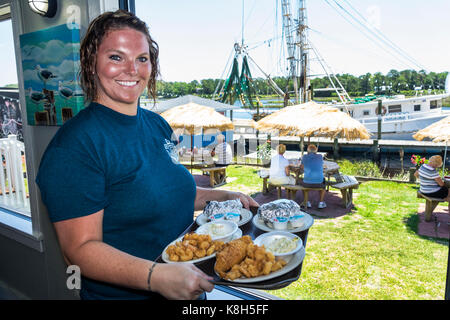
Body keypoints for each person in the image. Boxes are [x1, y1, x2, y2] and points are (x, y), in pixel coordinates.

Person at [35, 10, 259, 300]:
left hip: (189, 288)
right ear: (91, 64)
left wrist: (223, 196)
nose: (132, 69)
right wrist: (156, 277)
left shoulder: (157, 124)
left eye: (142, 58)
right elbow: (78, 251)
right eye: (116, 57)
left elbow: (168, 193)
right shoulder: (75, 146)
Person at [299, 144, 327, 209]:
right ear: (316, 150)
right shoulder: (320, 156)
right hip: (319, 183)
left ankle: (307, 201)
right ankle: (321, 202)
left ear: (307, 150)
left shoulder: (304, 157)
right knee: (324, 184)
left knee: (302, 181)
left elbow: (301, 168)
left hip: (307, 184)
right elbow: (321, 165)